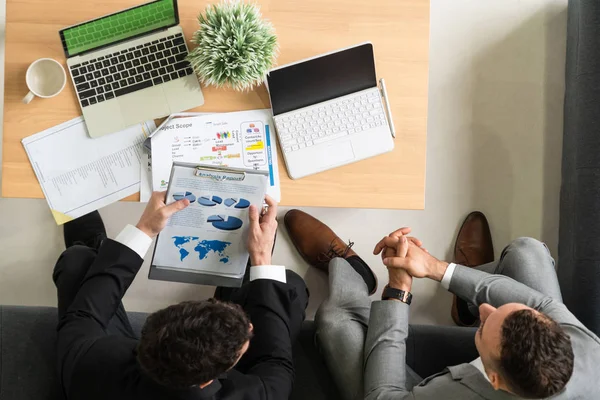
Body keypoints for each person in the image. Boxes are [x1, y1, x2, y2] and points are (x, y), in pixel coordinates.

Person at [283, 209, 600, 400]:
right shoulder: (586, 348)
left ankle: (349, 269)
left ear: (493, 379)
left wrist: (399, 289)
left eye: (484, 323)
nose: (487, 309)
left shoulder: (471, 393)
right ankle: (464, 307)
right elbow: (540, 300)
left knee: (336, 320)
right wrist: (433, 267)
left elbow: (384, 396)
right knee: (526, 252)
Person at [53, 192, 308, 400]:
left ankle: (93, 245)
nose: (250, 327)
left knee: (80, 261)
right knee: (288, 287)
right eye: (246, 337)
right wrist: (261, 258)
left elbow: (84, 313)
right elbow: (275, 358)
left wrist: (145, 229)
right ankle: (240, 273)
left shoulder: (88, 361)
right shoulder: (261, 393)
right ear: (211, 379)